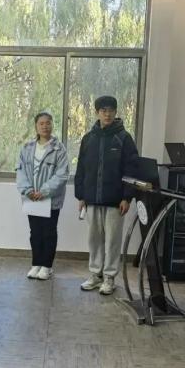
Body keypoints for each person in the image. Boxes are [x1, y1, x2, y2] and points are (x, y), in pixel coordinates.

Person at [74, 96, 139, 295]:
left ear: (115, 112)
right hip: (91, 199)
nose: (107, 114)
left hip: (115, 201)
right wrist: (81, 196)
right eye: (103, 110)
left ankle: (109, 277)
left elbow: (132, 169)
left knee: (112, 241)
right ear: (97, 113)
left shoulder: (124, 138)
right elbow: (81, 169)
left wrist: (127, 197)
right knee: (94, 239)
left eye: (111, 110)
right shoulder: (88, 139)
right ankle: (96, 274)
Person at [16, 112, 69, 280]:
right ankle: (36, 264)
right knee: (35, 232)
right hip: (31, 198)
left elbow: (62, 174)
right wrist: (28, 190)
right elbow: (20, 170)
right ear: (36, 126)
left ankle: (47, 266)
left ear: (52, 125)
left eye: (48, 123)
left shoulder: (59, 149)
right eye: (41, 123)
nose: (45, 126)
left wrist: (44, 191)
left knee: (49, 232)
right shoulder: (27, 147)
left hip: (50, 199)